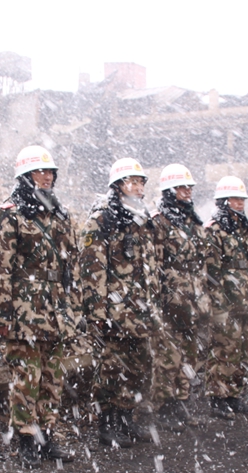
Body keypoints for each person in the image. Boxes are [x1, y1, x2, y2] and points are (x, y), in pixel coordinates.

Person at [0, 145, 79, 467]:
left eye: (51, 172)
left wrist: (72, 307)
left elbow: (73, 263)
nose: (47, 177)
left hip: (54, 310)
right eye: (41, 172)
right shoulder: (9, 215)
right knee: (26, 378)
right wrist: (1, 314)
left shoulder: (60, 213)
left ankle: (47, 435)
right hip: (24, 310)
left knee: (52, 377)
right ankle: (26, 438)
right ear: (25, 176)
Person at [79, 158, 160, 447]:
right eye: (131, 181)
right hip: (114, 309)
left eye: (140, 182)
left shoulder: (142, 217)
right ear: (117, 185)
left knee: (138, 367)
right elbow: (92, 268)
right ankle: (106, 424)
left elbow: (149, 264)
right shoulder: (103, 218)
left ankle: (127, 419)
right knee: (111, 368)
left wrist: (151, 301)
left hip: (138, 309)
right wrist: (97, 311)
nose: (137, 186)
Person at [150, 164, 208, 431]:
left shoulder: (193, 222)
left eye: (189, 188)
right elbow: (155, 264)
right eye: (182, 188)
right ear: (170, 191)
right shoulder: (159, 222)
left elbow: (200, 261)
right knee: (168, 356)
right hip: (170, 300)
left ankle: (181, 401)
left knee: (188, 354)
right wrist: (161, 299)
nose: (188, 192)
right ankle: (165, 407)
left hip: (192, 299)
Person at [203, 176, 248, 418]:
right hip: (224, 301)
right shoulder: (214, 230)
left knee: (242, 347)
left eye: (242, 199)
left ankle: (234, 395)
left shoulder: (245, 229)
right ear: (224, 201)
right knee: (223, 348)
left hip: (245, 299)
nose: (240, 203)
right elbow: (211, 271)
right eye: (235, 199)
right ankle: (218, 398)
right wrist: (218, 304)